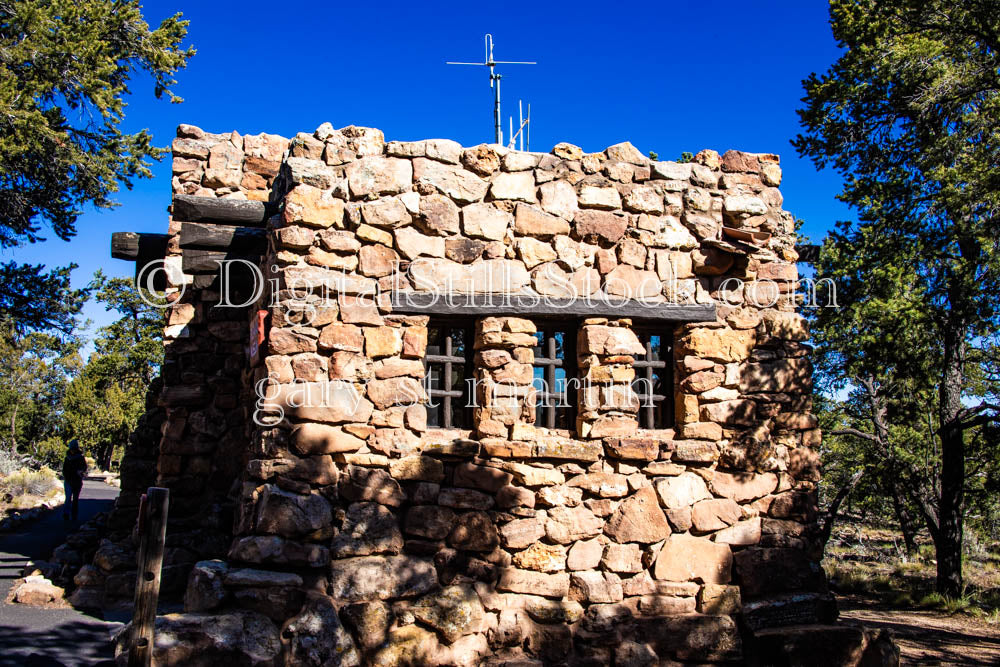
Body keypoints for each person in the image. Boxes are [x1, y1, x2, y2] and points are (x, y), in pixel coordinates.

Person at [62, 439, 87, 520]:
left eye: (74, 449)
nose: (72, 450)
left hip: (77, 481)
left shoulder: (80, 457)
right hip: (69, 481)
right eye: (71, 449)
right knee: (68, 498)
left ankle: (74, 515)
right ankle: (66, 514)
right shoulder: (67, 458)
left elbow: (84, 467)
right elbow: (64, 470)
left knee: (75, 499)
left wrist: (80, 472)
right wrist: (66, 477)